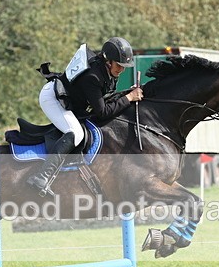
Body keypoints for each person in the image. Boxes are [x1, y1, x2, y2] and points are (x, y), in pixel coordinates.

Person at [27, 37, 144, 195]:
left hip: (69, 100)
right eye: (119, 65)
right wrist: (129, 98)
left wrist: (126, 94)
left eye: (124, 67)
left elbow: (104, 99)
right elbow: (102, 112)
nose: (121, 70)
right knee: (76, 133)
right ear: (108, 61)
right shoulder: (93, 76)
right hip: (52, 99)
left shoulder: (105, 71)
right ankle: (41, 177)